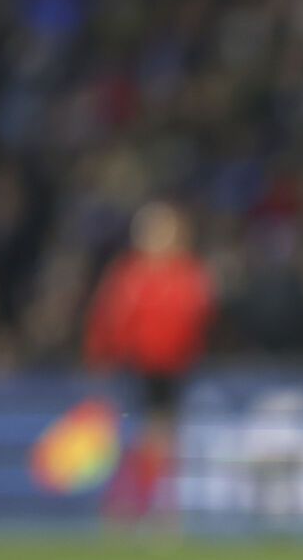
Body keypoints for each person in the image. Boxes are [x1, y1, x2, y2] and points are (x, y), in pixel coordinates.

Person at [82, 201, 213, 520]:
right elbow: (108, 320)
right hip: (135, 366)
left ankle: (153, 507)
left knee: (162, 440)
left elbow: (198, 321)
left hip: (172, 368)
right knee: (140, 437)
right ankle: (128, 505)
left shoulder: (188, 273)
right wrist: (101, 358)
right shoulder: (130, 274)